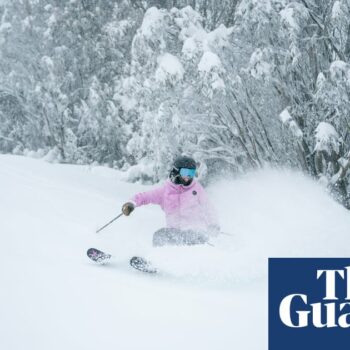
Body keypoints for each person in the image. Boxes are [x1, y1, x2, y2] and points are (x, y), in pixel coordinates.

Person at [121, 156, 220, 247]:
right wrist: (132, 203)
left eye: (192, 173)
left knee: (189, 238)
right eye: (186, 173)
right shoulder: (165, 191)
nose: (189, 177)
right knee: (159, 235)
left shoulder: (196, 189)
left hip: (196, 232)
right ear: (176, 171)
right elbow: (146, 196)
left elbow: (208, 207)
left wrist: (213, 224)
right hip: (175, 232)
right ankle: (158, 260)